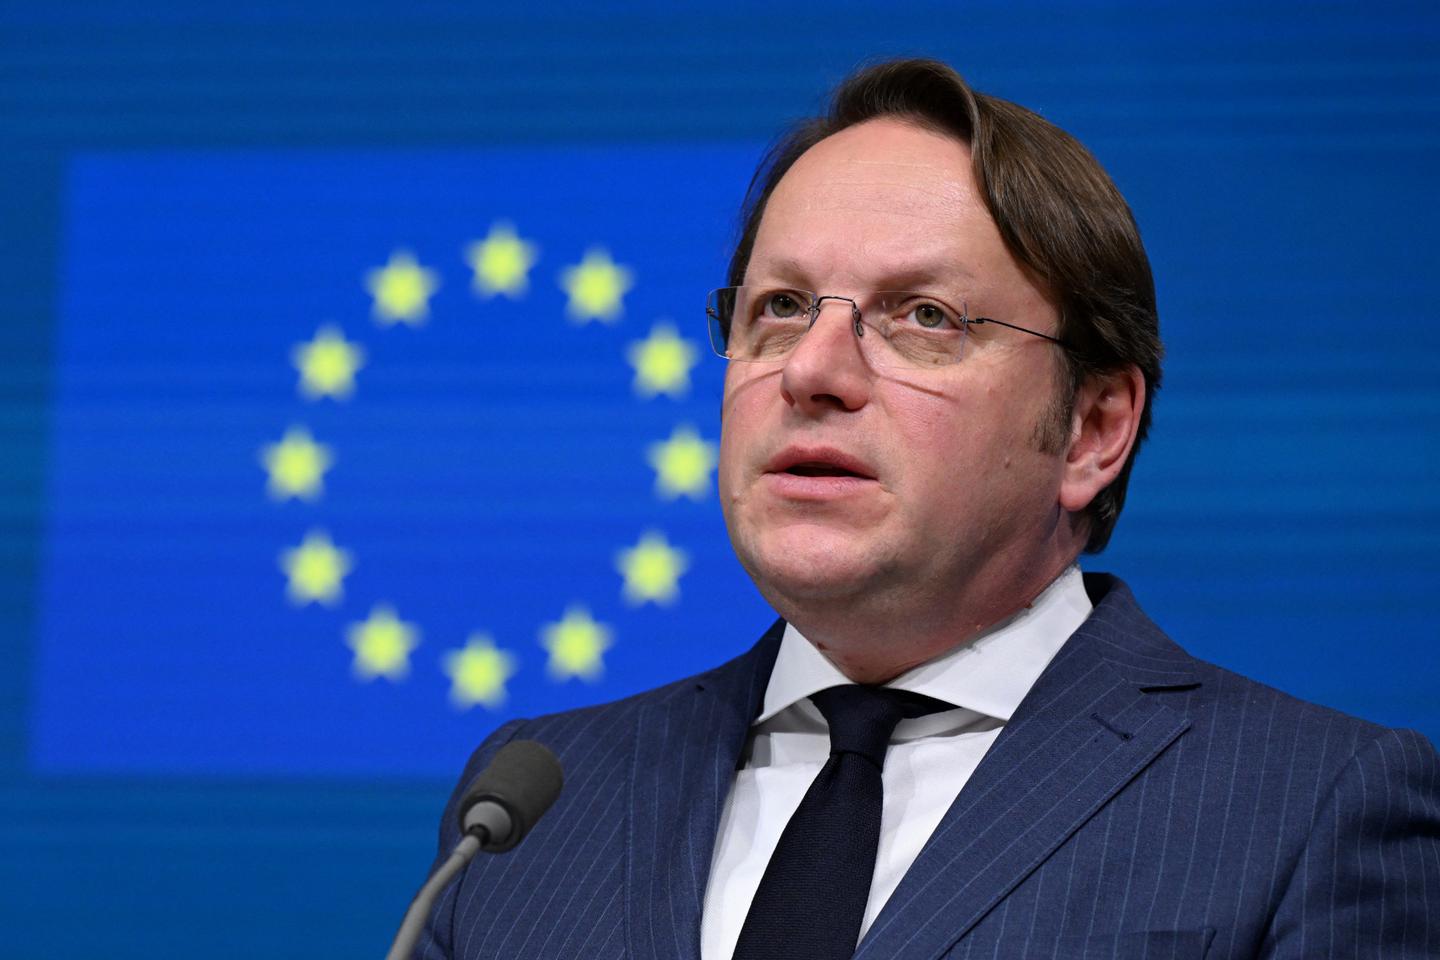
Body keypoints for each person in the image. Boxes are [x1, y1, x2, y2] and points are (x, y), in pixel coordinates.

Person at [412, 58, 1440, 959]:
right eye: (780, 308)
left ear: (1092, 429)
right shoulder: (531, 805)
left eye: (925, 317)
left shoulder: (1309, 807)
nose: (811, 371)